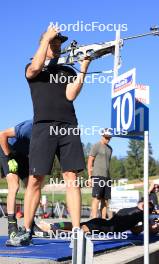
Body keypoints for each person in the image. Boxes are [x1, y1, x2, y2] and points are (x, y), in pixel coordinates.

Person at [7, 23, 91, 246]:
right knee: (36, 179)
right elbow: (34, 69)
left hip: (68, 125)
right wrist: (46, 38)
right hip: (43, 126)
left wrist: (83, 67)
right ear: (44, 44)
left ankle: (76, 232)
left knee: (71, 178)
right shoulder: (33, 67)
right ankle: (26, 229)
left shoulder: (67, 70)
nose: (57, 45)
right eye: (53, 42)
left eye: (58, 43)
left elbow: (71, 95)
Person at [37, 201, 159, 236]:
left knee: (77, 225)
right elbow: (139, 230)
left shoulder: (134, 212)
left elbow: (135, 230)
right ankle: (53, 229)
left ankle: (55, 226)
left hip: (105, 224)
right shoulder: (137, 213)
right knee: (77, 231)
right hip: (107, 227)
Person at [0, 120, 32, 239]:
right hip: (7, 148)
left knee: (32, 186)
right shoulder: (29, 127)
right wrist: (9, 157)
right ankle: (12, 226)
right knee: (14, 186)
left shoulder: (49, 133)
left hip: (22, 154)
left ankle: (30, 223)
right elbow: (2, 134)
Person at [88, 128, 112, 219]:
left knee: (105, 201)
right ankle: (94, 220)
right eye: (106, 137)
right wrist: (90, 177)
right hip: (97, 176)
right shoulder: (96, 146)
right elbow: (90, 161)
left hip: (107, 177)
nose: (108, 139)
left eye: (109, 138)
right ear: (102, 136)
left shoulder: (110, 149)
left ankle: (103, 221)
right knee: (96, 198)